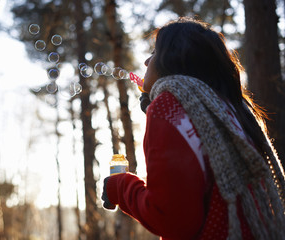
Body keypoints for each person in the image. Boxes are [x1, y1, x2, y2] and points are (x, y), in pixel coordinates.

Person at [101, 17, 285, 240]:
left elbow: (171, 218)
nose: (146, 62)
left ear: (173, 59)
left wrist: (120, 186)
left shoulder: (167, 108)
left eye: (155, 52)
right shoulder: (233, 109)